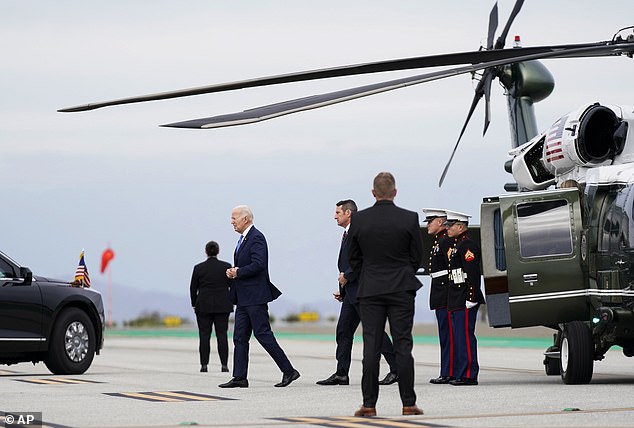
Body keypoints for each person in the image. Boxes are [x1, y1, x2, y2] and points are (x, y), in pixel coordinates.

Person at [348, 172, 424, 417]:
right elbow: (417, 256)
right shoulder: (409, 218)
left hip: (370, 289)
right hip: (401, 287)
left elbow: (353, 257)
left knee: (371, 346)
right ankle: (408, 403)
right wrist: (403, 272)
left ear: (373, 193)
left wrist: (366, 275)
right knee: (403, 345)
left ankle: (369, 404)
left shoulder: (359, 220)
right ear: (395, 192)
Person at [316, 199, 399, 387]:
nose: (334, 216)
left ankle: (397, 369)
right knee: (343, 331)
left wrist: (348, 277)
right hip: (351, 293)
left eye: (338, 213)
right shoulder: (348, 233)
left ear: (348, 213)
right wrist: (343, 291)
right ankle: (341, 374)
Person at [219, 205, 300, 388]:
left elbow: (259, 264)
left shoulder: (256, 238)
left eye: (234, 218)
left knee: (263, 334)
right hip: (243, 298)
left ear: (245, 219)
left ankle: (289, 371)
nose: (231, 221)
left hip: (255, 297)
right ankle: (240, 376)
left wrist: (237, 272)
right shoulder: (243, 239)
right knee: (239, 337)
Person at [445, 210, 485, 386]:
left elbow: (473, 274)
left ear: (460, 226)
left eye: (450, 225)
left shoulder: (467, 246)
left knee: (465, 337)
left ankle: (469, 374)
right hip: (456, 299)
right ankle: (461, 372)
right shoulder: (457, 245)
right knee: (458, 338)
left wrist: (471, 297)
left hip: (465, 299)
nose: (447, 227)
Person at [190, 241, 233, 373]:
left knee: (204, 335)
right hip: (223, 305)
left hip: (203, 305)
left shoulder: (198, 268)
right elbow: (233, 286)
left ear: (206, 251)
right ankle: (224, 365)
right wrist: (230, 301)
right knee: (222, 335)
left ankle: (204, 365)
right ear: (218, 251)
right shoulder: (226, 267)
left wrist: (194, 303)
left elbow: (193, 288)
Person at [423, 208, 455, 384]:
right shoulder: (439, 242)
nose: (427, 225)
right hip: (440, 292)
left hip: (445, 293)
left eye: (430, 221)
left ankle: (448, 371)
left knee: (447, 334)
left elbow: (451, 269)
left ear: (440, 222)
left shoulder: (445, 242)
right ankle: (446, 370)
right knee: (444, 334)